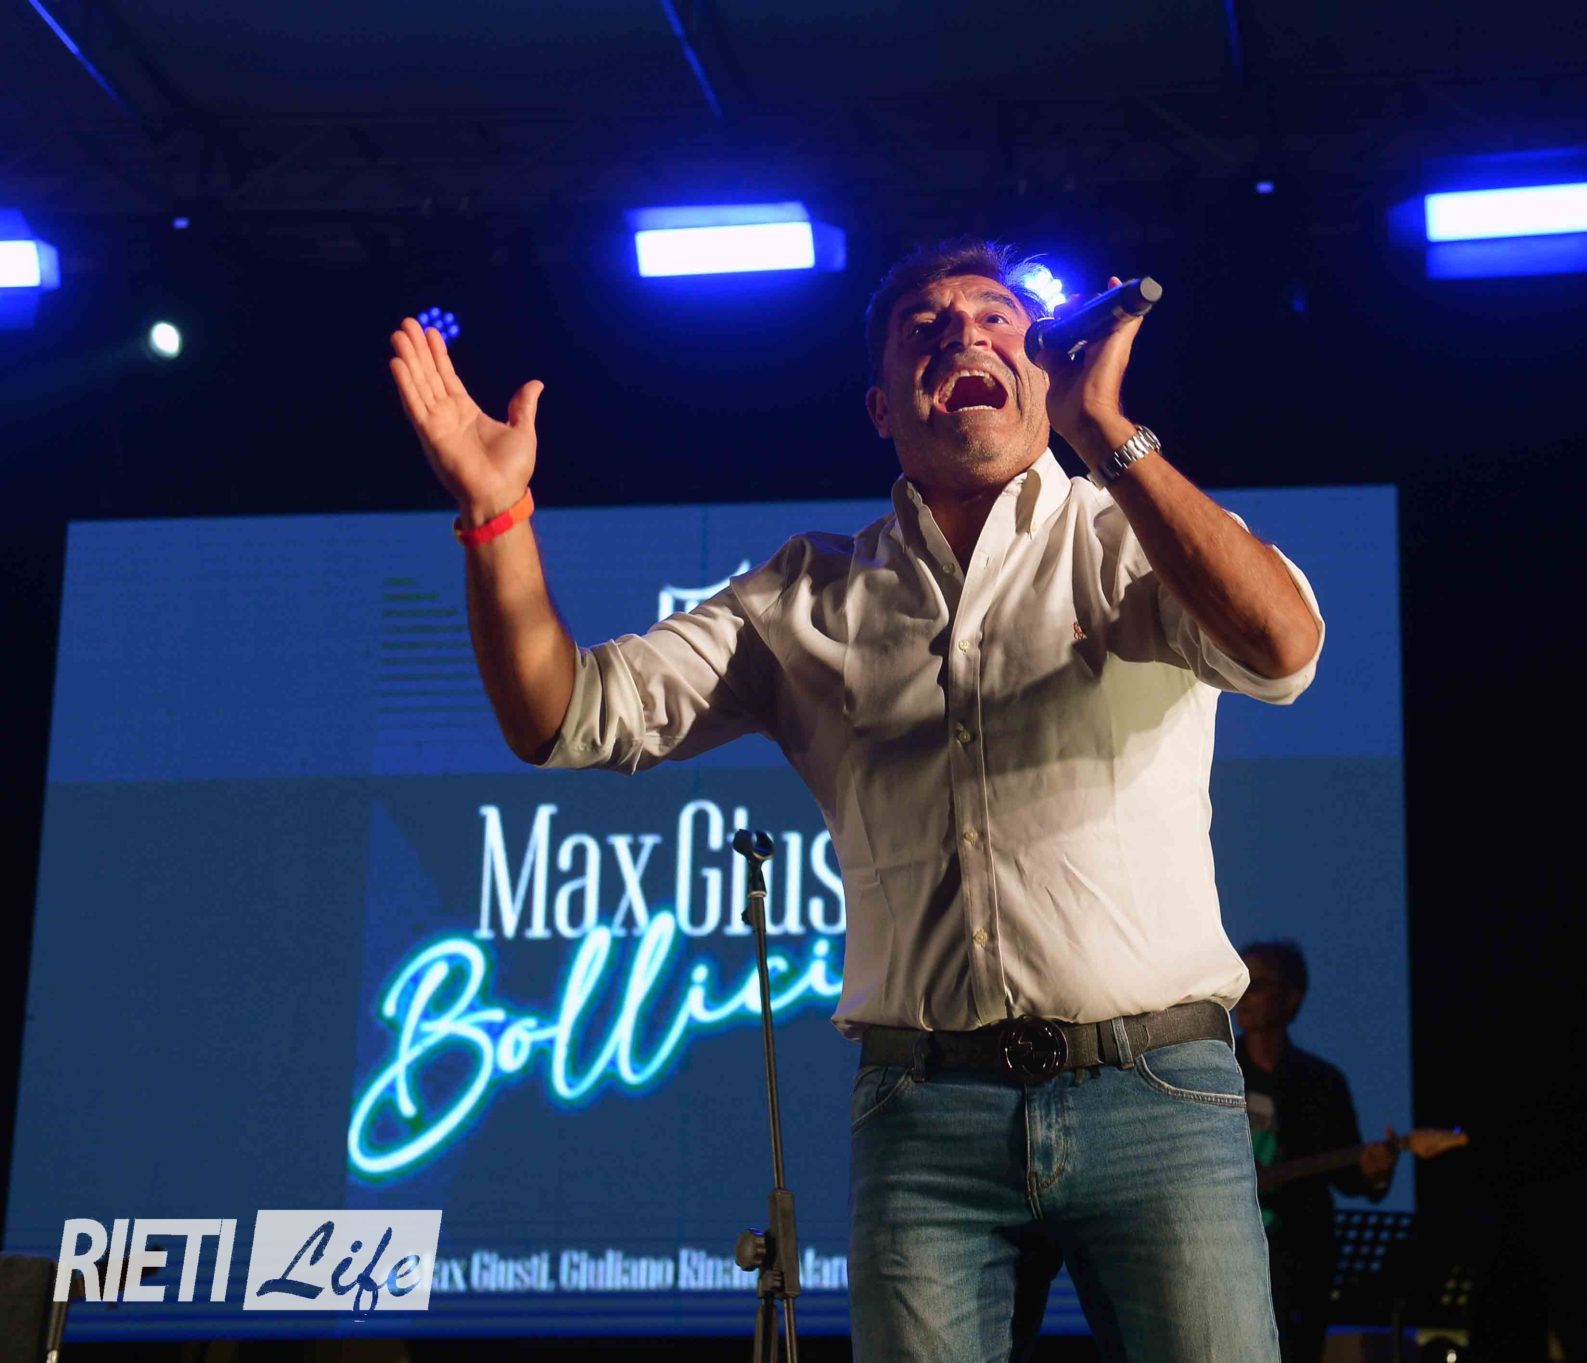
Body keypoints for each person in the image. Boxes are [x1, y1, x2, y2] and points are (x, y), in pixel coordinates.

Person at [386, 237, 1325, 1362]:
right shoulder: (807, 595)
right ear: (883, 405)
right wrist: (497, 516)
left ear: (1044, 368)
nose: (963, 331)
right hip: (927, 1115)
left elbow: (1282, 650)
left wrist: (1105, 430)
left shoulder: (1132, 538)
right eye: (924, 325)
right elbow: (563, 715)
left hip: (1156, 1091)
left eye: (995, 316)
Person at [1236, 939, 1397, 1363]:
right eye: (1239, 982)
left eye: (1257, 985)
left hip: (1299, 1264)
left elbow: (1348, 1176)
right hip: (1226, 1254)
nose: (1243, 995)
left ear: (1291, 997)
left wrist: (1375, 1171)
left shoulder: (1321, 1083)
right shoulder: (1216, 1071)